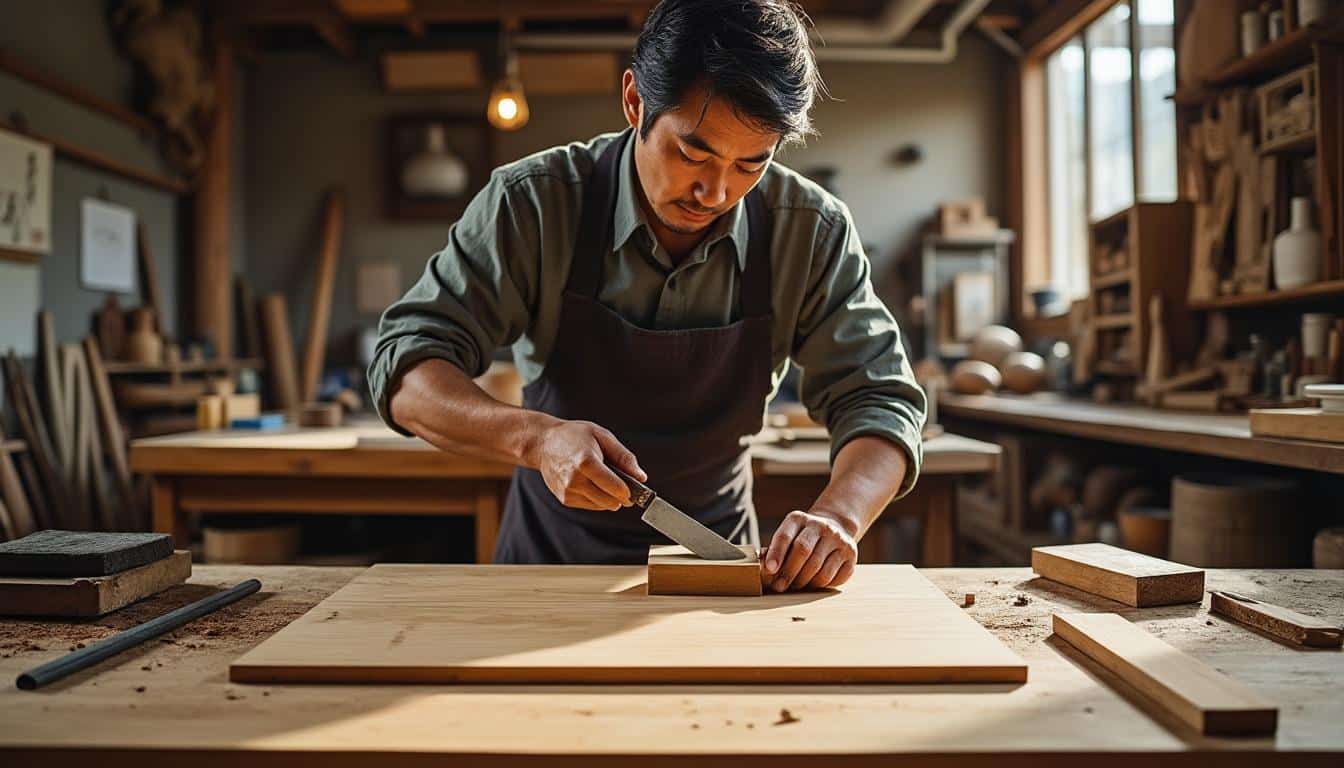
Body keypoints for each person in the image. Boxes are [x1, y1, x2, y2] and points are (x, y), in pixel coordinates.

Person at [370, 0, 926, 591]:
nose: (715, 191)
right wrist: (535, 438)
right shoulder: (532, 203)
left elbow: (880, 398)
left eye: (751, 164)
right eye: (693, 153)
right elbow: (406, 372)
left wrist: (838, 515)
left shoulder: (809, 229)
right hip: (547, 573)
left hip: (717, 574)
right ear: (635, 101)